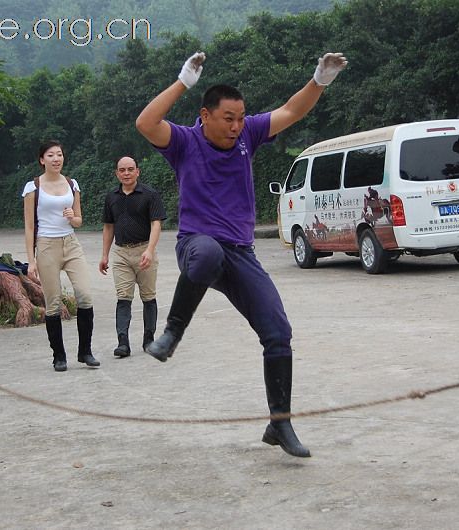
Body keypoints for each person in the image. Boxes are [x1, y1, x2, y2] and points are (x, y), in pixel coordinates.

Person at [135, 51, 348, 457]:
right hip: (197, 248)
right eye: (228, 118)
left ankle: (279, 425)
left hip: (241, 254)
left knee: (278, 332)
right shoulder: (184, 141)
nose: (236, 126)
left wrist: (319, 80)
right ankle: (172, 333)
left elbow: (290, 110)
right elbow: (146, 123)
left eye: (240, 118)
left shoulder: (249, 134)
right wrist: (182, 81)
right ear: (205, 115)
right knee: (209, 253)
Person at [22, 140, 100, 372]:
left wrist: (71, 217)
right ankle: (58, 356)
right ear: (42, 159)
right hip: (46, 245)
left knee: (85, 294)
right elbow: (28, 226)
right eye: (51, 155)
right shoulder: (33, 187)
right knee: (53, 302)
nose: (56, 159)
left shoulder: (71, 184)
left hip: (70, 242)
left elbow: (79, 220)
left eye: (59, 155)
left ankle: (85, 351)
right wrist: (31, 260)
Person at [99, 156, 167, 358]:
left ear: (138, 171)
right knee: (123, 297)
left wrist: (150, 250)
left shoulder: (150, 194)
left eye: (130, 169)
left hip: (145, 249)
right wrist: (104, 254)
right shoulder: (111, 197)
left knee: (148, 296)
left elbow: (156, 223)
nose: (126, 173)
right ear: (117, 173)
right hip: (121, 253)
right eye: (122, 170)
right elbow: (108, 226)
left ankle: (149, 340)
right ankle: (123, 343)